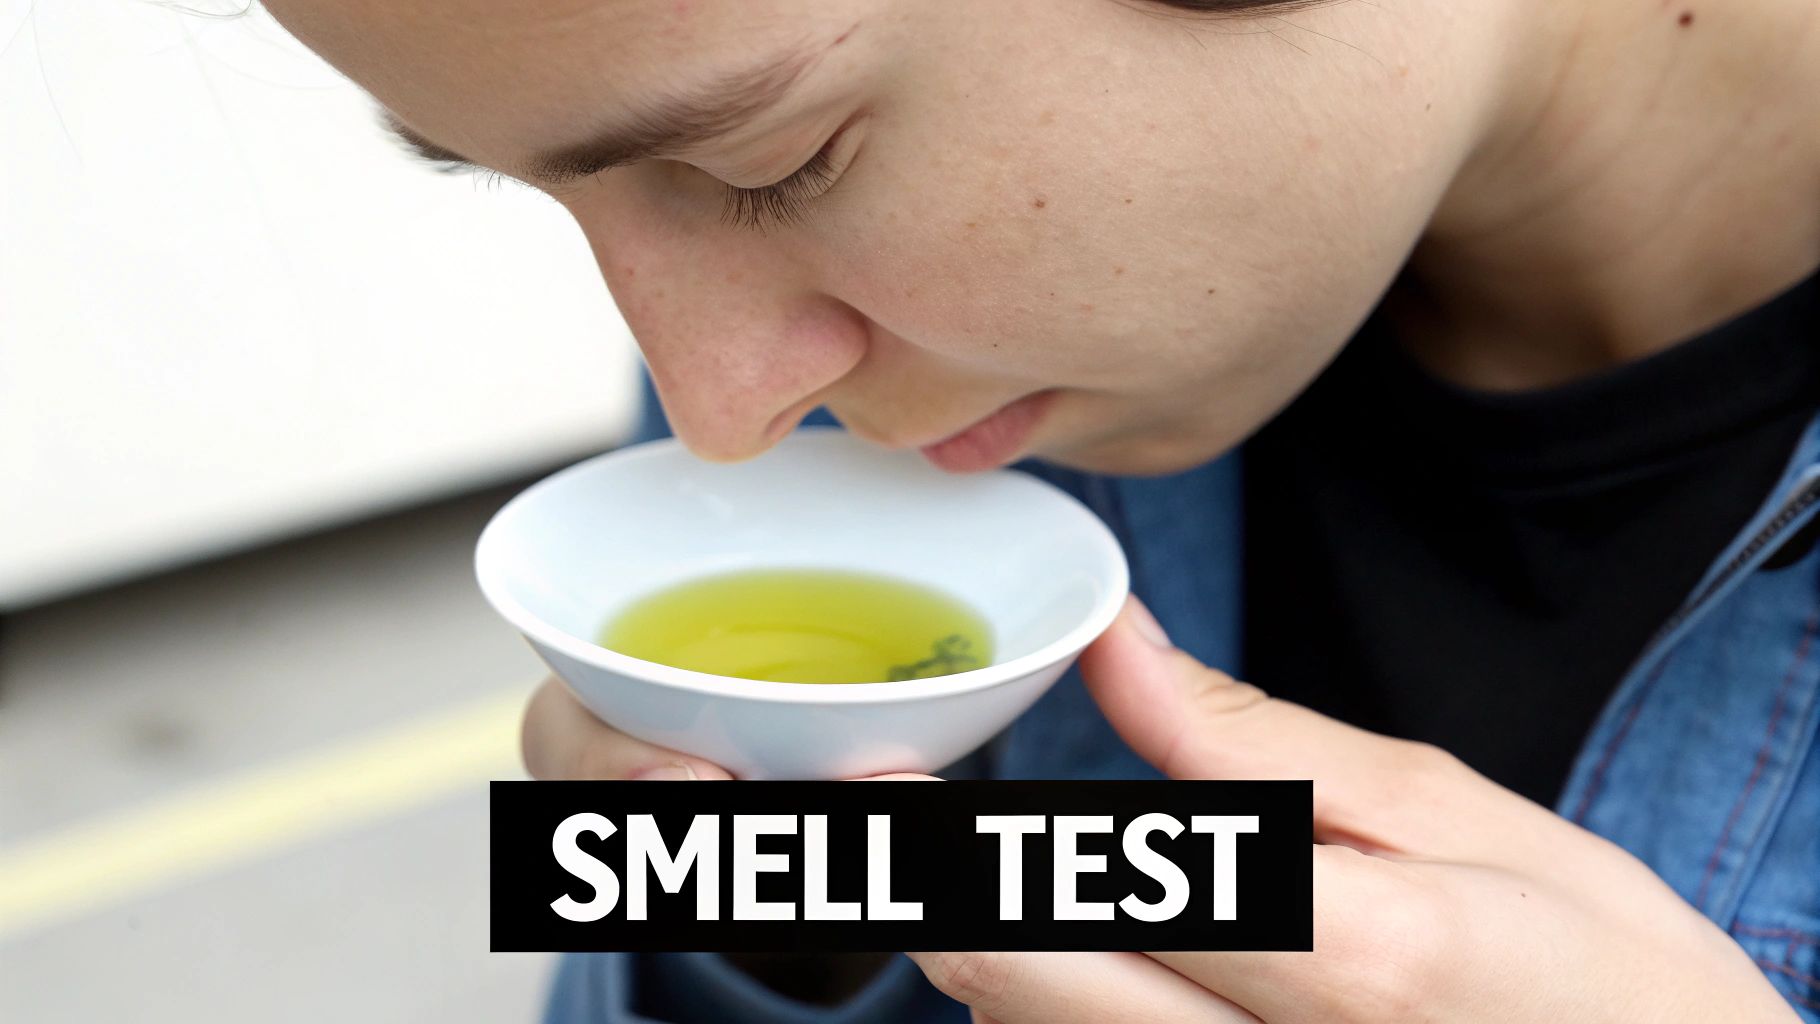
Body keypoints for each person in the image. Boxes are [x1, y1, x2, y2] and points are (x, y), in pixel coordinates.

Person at [258, 0, 1820, 1019]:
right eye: (532, 186)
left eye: (777, 165)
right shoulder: (904, 354)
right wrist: (757, 919)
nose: (717, 409)